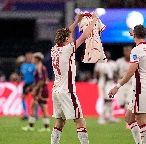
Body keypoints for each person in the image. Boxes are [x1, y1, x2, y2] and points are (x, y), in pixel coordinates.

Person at [50, 12, 99, 144]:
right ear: (66, 39)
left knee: (60, 121)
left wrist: (77, 21)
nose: (72, 37)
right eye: (70, 37)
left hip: (56, 91)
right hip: (67, 91)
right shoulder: (67, 49)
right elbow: (84, 36)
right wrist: (94, 20)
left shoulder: (54, 49)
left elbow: (65, 33)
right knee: (80, 120)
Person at [108, 24, 146, 144]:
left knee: (142, 119)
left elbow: (131, 71)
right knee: (129, 117)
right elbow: (140, 39)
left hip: (140, 86)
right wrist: (134, 33)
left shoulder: (136, 50)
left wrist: (117, 86)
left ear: (134, 35)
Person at [21, 52, 50, 132]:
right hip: (42, 89)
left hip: (41, 90)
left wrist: (34, 89)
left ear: (37, 59)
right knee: (39, 107)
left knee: (37, 107)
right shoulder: (39, 67)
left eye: (34, 58)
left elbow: (41, 81)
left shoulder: (40, 68)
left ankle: (32, 126)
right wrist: (31, 87)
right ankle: (45, 127)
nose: (32, 59)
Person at [94, 51, 119, 124]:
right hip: (103, 83)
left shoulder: (113, 64)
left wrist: (117, 80)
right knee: (106, 100)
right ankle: (102, 117)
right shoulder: (100, 64)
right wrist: (96, 80)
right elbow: (96, 73)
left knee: (110, 100)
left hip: (110, 83)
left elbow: (115, 73)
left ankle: (110, 116)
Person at [20, 52, 36, 120]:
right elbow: (22, 75)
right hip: (26, 84)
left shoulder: (34, 66)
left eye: (30, 57)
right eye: (28, 57)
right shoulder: (23, 66)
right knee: (23, 98)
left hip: (33, 84)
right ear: (26, 58)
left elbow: (36, 76)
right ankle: (25, 114)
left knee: (35, 99)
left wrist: (31, 86)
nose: (29, 58)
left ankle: (35, 114)